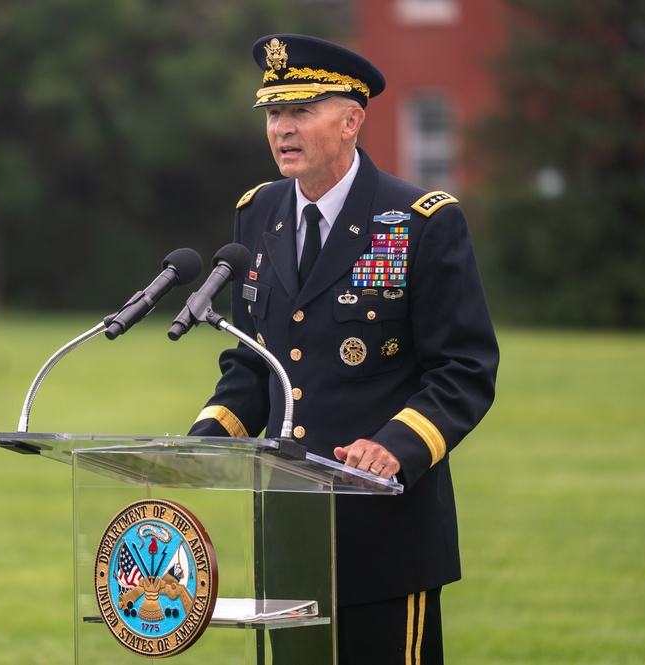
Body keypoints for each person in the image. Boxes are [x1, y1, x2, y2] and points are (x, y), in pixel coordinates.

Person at [187, 34, 499, 664]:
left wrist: (395, 447)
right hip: (288, 535)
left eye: (301, 111)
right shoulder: (259, 213)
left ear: (352, 119)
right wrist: (204, 438)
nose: (282, 128)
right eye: (273, 114)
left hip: (386, 535)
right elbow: (255, 362)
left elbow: (464, 368)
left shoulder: (421, 220)